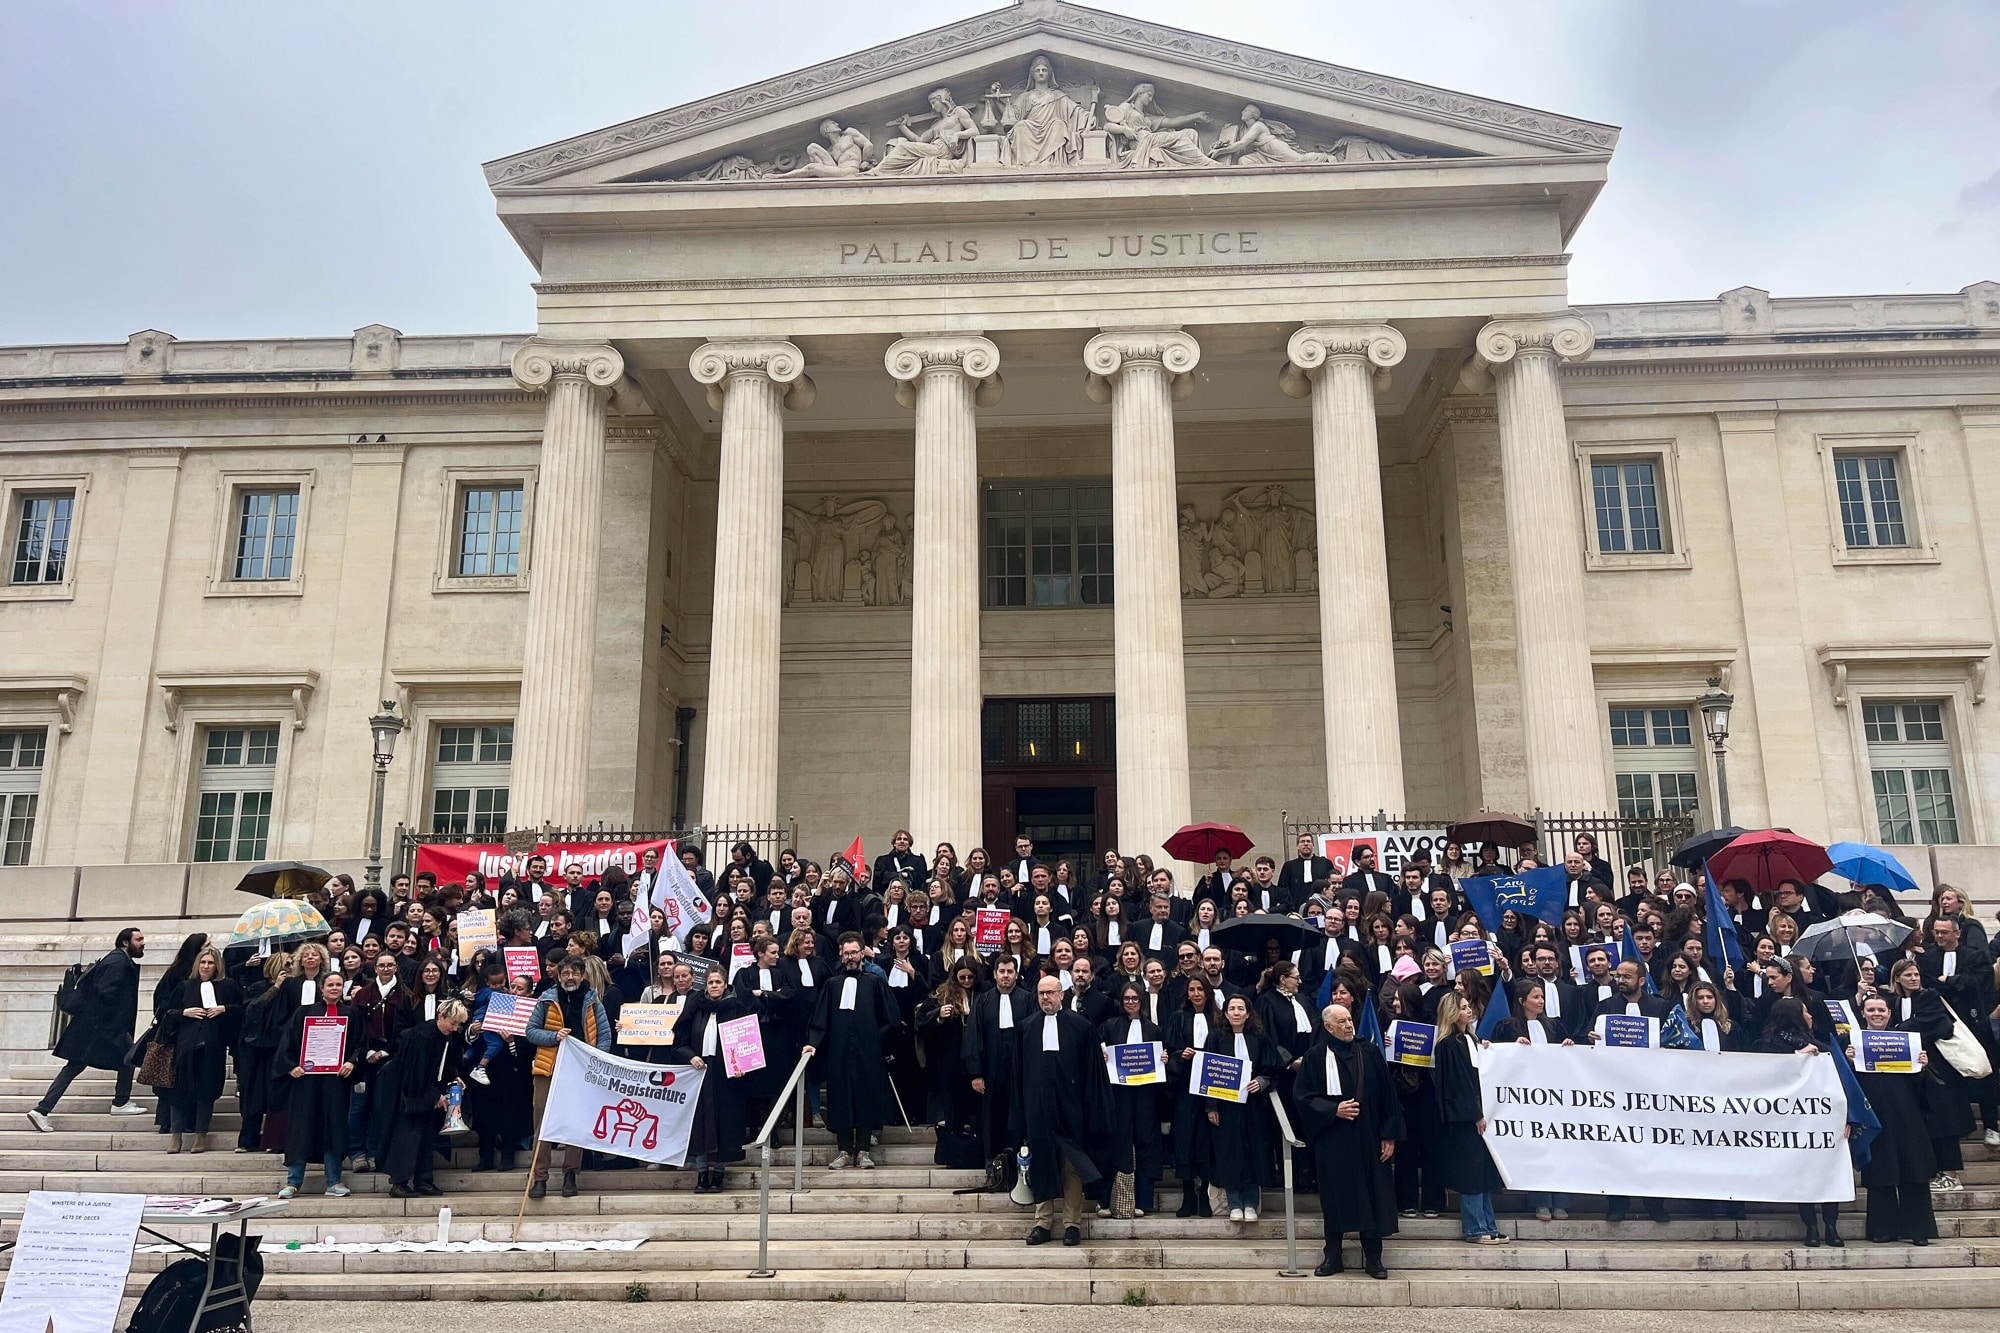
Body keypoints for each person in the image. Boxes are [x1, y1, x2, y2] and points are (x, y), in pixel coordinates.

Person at [1294, 1002, 1401, 1277]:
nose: (1348, 1025)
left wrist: (1389, 1134)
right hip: (1334, 1140)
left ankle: (1374, 1258)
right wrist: (1333, 1110)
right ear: (1328, 1027)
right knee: (1335, 1197)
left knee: (1374, 1194)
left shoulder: (1369, 1051)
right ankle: (1332, 1256)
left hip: (1369, 1136)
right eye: (1341, 1022)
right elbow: (1303, 1098)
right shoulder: (1316, 1056)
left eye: (1349, 1020)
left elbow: (1389, 1095)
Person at [1015, 974, 1104, 1247]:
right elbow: (1018, 1074)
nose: (1046, 998)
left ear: (1061, 994)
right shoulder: (1026, 1028)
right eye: (1041, 993)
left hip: (1071, 1108)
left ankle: (1072, 1224)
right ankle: (1042, 1222)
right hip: (1038, 1109)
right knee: (1041, 1162)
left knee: (1071, 1166)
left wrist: (1090, 1108)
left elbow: (1092, 1072)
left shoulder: (1081, 1027)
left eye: (1050, 993)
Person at [31, 927, 148, 1130]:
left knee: (74, 1067)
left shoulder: (118, 960)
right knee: (129, 1058)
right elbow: (105, 995)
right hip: (102, 1027)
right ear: (125, 942)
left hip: (93, 1026)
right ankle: (120, 1102)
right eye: (139, 939)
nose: (143, 943)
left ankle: (41, 1109)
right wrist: (115, 1028)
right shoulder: (117, 963)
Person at [803, 932, 899, 1169]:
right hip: (839, 1053)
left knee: (866, 1098)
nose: (850, 957)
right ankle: (844, 1150)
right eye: (846, 953)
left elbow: (891, 1019)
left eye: (854, 952)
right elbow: (820, 1020)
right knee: (840, 1098)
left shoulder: (875, 983)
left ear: (862, 953)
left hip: (869, 1053)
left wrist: (877, 1042)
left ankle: (864, 1150)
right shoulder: (832, 985)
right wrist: (813, 1043)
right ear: (841, 955)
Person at [1850, 995, 1938, 1245]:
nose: (1876, 1014)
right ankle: (1883, 1229)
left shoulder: (1907, 1042)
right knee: (1880, 1173)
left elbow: (1925, 1091)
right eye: (1871, 1010)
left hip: (1907, 1117)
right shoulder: (1853, 1044)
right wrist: (1849, 1060)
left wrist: (1922, 1067)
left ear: (1890, 1013)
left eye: (1881, 1009)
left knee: (1914, 1171)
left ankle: (1918, 1230)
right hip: (1874, 1119)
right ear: (1863, 1013)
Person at [525, 955, 613, 1200]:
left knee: (575, 1124)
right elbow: (530, 1032)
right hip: (548, 1069)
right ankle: (539, 1177)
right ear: (559, 975)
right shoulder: (546, 999)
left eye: (575, 973)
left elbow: (605, 1036)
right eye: (566, 973)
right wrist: (553, 1037)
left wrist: (594, 1060)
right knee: (542, 1124)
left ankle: (570, 1174)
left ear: (583, 975)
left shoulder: (593, 1000)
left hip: (580, 1071)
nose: (570, 977)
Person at [1432, 991, 1506, 1244]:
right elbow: (1459, 1085)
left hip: (1479, 1114)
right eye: (1463, 1007)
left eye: (1468, 1006)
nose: (1469, 1011)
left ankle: (1489, 1225)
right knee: (1472, 1174)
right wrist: (1474, 1114)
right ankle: (1475, 1228)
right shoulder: (1448, 1045)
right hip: (1464, 1120)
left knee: (1483, 1173)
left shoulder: (1471, 1040)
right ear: (1453, 1013)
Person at [1202, 993, 1282, 1223]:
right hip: (1225, 1106)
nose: (1236, 1013)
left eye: (1241, 1008)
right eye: (1232, 1008)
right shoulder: (1216, 1037)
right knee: (1229, 1152)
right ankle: (1234, 1203)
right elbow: (1208, 1073)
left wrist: (1263, 1081)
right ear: (1225, 1013)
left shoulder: (1260, 1037)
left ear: (1248, 1013)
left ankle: (1251, 1202)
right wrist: (1211, 1107)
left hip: (1254, 1105)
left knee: (1253, 1151)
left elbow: (1272, 1069)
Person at [278, 971, 356, 1199]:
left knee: (333, 1130)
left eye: (338, 984)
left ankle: (334, 1182)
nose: (334, 988)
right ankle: (293, 1183)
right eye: (330, 984)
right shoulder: (304, 1013)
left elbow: (359, 1044)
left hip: (335, 1083)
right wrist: (292, 1066)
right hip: (306, 1082)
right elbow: (287, 1044)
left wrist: (351, 1061)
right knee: (301, 1130)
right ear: (321, 988)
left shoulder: (351, 1014)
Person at [378, 998, 467, 1198]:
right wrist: (435, 1095)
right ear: (441, 1016)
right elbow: (414, 1073)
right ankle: (399, 1182)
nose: (455, 1028)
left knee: (426, 1139)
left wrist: (454, 1077)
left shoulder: (444, 1035)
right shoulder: (422, 1036)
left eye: (458, 1024)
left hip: (426, 1095)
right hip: (410, 1097)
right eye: (452, 1023)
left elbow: (445, 1062)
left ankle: (423, 1179)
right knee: (407, 1140)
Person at [1096, 983, 1165, 1219]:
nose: (1131, 1002)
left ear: (1142, 1001)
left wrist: (1164, 1058)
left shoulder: (1154, 1030)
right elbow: (1098, 1050)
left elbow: (1162, 1058)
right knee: (1116, 1143)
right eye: (1126, 999)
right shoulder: (1110, 1026)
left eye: (1135, 998)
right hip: (1119, 1095)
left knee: (1146, 1143)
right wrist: (1102, 1055)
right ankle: (1108, 1199)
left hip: (1146, 1095)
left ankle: (1143, 1200)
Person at [166, 945, 239, 1153]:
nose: (206, 967)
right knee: (179, 1091)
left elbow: (241, 1010)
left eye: (210, 963)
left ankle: (200, 1134)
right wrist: (185, 1013)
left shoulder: (228, 986)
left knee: (206, 1091)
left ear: (217, 966)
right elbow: (167, 1013)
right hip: (185, 1046)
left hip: (212, 1046)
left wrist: (224, 1008)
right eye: (203, 962)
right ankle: (176, 1134)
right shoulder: (184, 986)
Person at [964, 955, 1033, 1174]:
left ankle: (1016, 1162)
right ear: (994, 974)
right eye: (1001, 971)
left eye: (1010, 971)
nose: (1005, 976)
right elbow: (973, 1038)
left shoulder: (1028, 999)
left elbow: (1032, 1037)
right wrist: (976, 1073)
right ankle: (991, 1162)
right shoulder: (982, 1001)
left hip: (1019, 1071)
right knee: (990, 1116)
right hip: (990, 1070)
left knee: (1017, 1115)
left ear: (1016, 974)